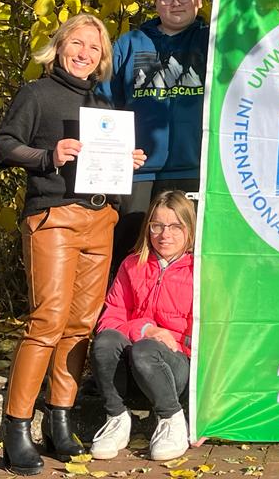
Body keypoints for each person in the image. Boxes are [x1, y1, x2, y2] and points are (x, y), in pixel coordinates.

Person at [0, 14, 147, 475]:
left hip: (101, 218)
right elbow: (3, 146)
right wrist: (48, 156)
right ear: (59, 45)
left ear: (102, 59)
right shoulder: (36, 93)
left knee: (81, 325)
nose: (84, 53)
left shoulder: (103, 101)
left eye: (94, 49)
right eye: (77, 43)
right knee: (48, 320)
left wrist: (127, 162)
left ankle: (60, 419)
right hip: (54, 217)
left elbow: (104, 160)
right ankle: (16, 426)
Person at [99, 0, 209, 274]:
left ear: (198, 0)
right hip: (138, 172)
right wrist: (113, 153)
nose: (175, 3)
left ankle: (183, 324)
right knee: (128, 256)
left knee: (191, 261)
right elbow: (104, 103)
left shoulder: (214, 43)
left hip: (198, 170)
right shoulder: (129, 44)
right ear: (156, 2)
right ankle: (120, 322)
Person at [88, 190, 196, 462]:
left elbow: (216, 336)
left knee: (147, 350)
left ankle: (172, 419)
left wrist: (206, 414)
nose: (165, 234)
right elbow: (109, 320)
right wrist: (147, 329)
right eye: (157, 226)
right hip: (132, 366)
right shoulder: (132, 264)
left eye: (175, 226)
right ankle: (116, 418)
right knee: (105, 342)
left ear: (189, 229)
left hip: (177, 369)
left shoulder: (202, 270)